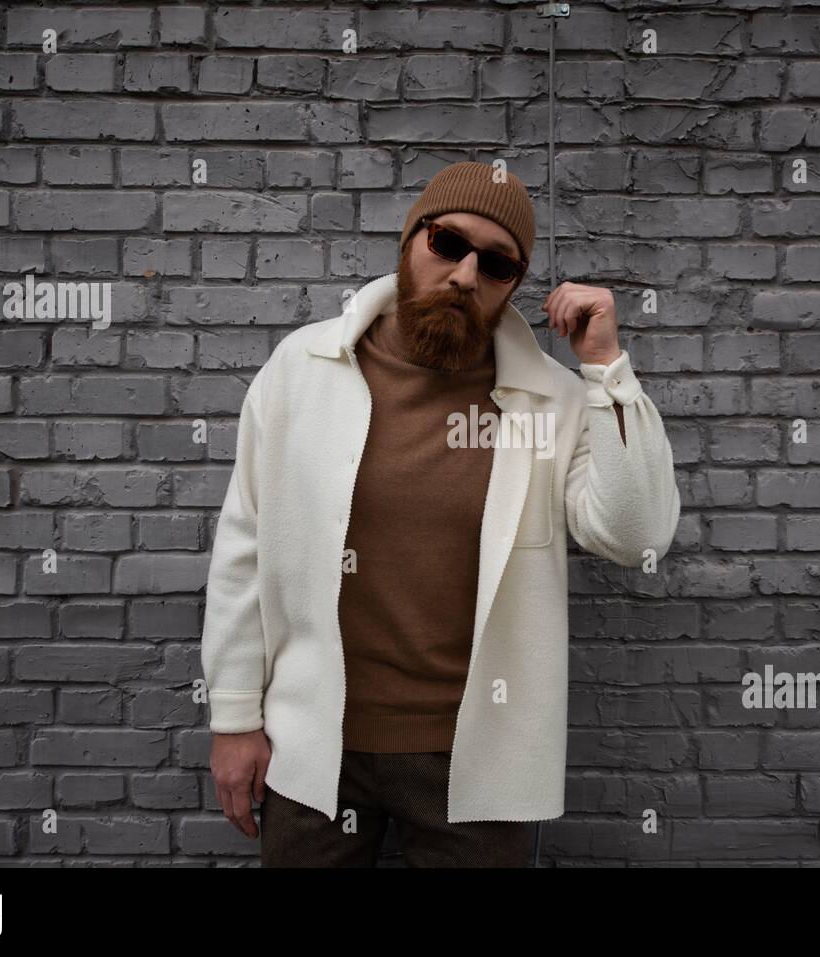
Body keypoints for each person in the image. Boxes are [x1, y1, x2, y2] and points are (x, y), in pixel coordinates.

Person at [200, 161, 681, 867]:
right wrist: (235, 718)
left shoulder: (549, 399)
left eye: (496, 264)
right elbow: (243, 546)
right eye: (448, 243)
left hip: (474, 759)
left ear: (514, 284)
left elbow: (636, 535)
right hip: (314, 744)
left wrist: (606, 370)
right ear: (410, 238)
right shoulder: (301, 370)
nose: (464, 274)